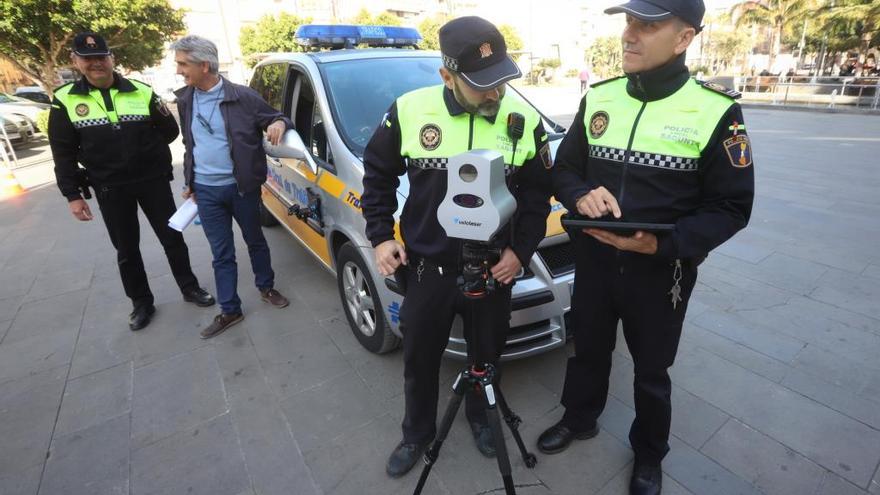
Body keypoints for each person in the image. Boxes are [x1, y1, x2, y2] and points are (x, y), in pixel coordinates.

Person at [536, 1, 755, 494]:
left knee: (652, 369)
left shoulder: (717, 112)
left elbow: (731, 207)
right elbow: (564, 168)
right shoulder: (600, 98)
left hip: (661, 272)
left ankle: (649, 454)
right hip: (592, 260)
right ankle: (580, 417)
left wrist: (663, 244)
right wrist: (578, 193)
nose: (629, 35)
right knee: (587, 347)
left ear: (684, 38)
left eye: (648, 26)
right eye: (628, 23)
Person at [361, 16, 553, 478]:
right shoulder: (409, 110)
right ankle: (416, 433)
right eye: (483, 84)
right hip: (429, 270)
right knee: (419, 360)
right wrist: (381, 235)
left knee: (487, 356)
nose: (497, 93)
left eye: (502, 79)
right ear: (446, 76)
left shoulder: (523, 120)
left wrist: (520, 253)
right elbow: (377, 173)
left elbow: (535, 196)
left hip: (494, 269)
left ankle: (482, 421)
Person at [48, 32, 215, 331]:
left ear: (111, 58)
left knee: (172, 238)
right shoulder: (65, 100)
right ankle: (141, 303)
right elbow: (63, 153)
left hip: (152, 181)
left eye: (101, 57)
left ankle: (190, 288)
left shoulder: (142, 91)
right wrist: (72, 194)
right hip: (110, 187)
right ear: (75, 62)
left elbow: (169, 131)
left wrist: (146, 152)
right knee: (127, 249)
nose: (96, 63)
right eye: (88, 59)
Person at [171, 35, 292, 339]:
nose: (179, 70)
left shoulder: (243, 97)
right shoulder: (185, 99)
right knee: (221, 252)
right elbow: (191, 144)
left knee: (255, 241)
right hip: (206, 191)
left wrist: (279, 123)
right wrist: (190, 180)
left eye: (183, 64)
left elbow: (276, 117)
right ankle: (230, 309)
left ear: (205, 65)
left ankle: (266, 287)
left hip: (242, 189)